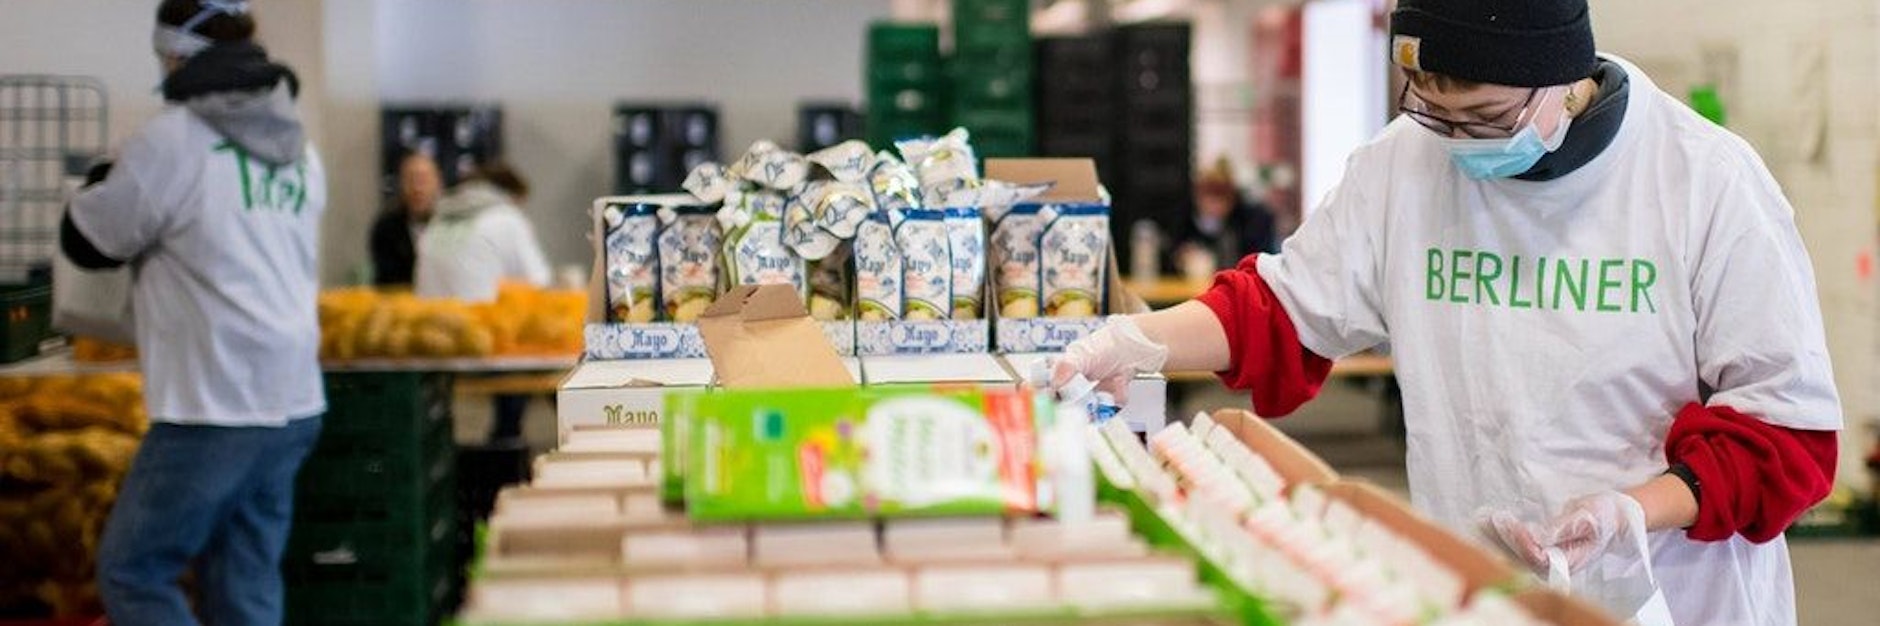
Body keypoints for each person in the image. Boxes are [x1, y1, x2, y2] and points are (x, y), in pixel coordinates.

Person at [1055, 1, 1840, 624]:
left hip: (1664, 599)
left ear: (1564, 80)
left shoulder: (1704, 184)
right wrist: (1132, 341)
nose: (1462, 145)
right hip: (1474, 592)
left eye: (1490, 121)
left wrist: (1628, 514)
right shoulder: (1405, 164)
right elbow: (1281, 309)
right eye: (1437, 114)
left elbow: (1786, 434)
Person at [61, 1, 327, 624]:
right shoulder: (300, 149)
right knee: (245, 585)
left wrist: (105, 172)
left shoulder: (172, 140)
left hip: (213, 400)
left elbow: (88, 242)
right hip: (293, 399)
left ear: (177, 56)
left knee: (133, 570)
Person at [414, 162, 551, 442]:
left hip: (433, 346)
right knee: (537, 358)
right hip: (483, 347)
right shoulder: (507, 218)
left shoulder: (439, 219)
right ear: (512, 195)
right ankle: (507, 441)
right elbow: (539, 281)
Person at [1169, 157, 1279, 276]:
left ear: (1232, 197)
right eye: (1208, 197)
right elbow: (1173, 252)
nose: (1213, 206)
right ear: (1197, 196)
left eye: (1219, 198)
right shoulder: (1184, 215)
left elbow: (1259, 262)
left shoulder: (1253, 220)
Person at [369, 150, 443, 287]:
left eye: (423, 180)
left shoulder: (451, 226)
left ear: (438, 183)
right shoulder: (386, 229)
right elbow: (386, 281)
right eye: (411, 180)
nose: (417, 189)